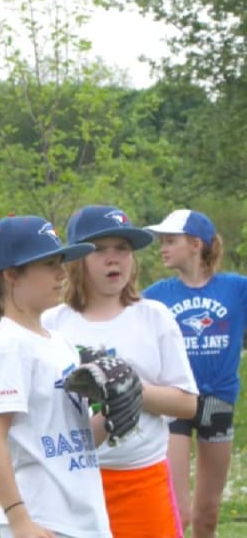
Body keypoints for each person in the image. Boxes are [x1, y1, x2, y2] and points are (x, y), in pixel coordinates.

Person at [42, 205, 197, 538]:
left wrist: (134, 389)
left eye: (123, 249)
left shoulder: (154, 317)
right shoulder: (52, 323)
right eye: (99, 250)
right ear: (75, 260)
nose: (114, 258)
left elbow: (187, 403)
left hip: (141, 478)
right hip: (74, 482)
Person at [0, 215, 111, 538]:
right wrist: (20, 521)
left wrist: (111, 416)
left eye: (61, 261)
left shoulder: (59, 342)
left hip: (84, 516)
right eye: (48, 264)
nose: (62, 273)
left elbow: (78, 438)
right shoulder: (10, 345)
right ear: (12, 274)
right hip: (44, 519)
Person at [142, 209, 247, 538]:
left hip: (217, 402)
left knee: (207, 515)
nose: (162, 247)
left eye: (170, 241)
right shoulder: (156, 295)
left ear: (196, 244)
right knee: (178, 511)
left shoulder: (236, 289)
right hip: (174, 401)